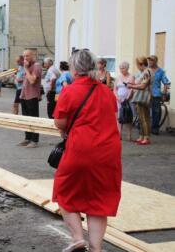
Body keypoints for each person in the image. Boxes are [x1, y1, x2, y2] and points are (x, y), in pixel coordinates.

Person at [53, 49, 122, 252]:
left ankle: (77, 238)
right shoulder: (107, 92)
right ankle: (96, 248)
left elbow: (60, 122)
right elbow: (113, 120)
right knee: (99, 200)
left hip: (80, 149)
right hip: (109, 152)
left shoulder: (70, 90)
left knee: (64, 192)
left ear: (74, 68)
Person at [18, 50, 43, 148]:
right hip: (24, 95)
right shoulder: (28, 66)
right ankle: (27, 138)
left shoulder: (36, 66)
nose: (25, 58)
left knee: (34, 119)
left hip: (32, 96)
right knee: (25, 118)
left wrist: (25, 68)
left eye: (27, 56)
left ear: (33, 55)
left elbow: (32, 80)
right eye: (24, 56)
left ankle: (34, 140)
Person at [128, 57, 152, 145]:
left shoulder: (146, 72)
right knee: (141, 118)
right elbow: (139, 83)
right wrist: (132, 84)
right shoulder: (143, 72)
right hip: (140, 97)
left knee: (144, 118)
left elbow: (143, 86)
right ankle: (142, 136)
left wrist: (131, 86)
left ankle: (146, 138)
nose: (137, 66)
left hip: (143, 97)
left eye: (137, 65)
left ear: (141, 64)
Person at [147, 55, 170, 135]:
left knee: (156, 111)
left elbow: (166, 82)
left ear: (156, 61)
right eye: (149, 60)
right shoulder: (147, 70)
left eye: (151, 60)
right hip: (146, 94)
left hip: (156, 94)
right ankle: (144, 127)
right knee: (145, 111)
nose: (149, 62)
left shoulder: (161, 71)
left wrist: (164, 92)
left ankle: (155, 128)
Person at [114, 61, 135, 141]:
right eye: (120, 68)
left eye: (123, 68)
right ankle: (119, 134)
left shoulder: (131, 77)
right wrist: (117, 97)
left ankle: (129, 135)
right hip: (119, 100)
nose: (121, 70)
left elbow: (132, 88)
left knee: (128, 117)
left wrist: (127, 98)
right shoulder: (118, 77)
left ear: (127, 68)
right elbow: (115, 89)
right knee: (120, 118)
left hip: (128, 100)